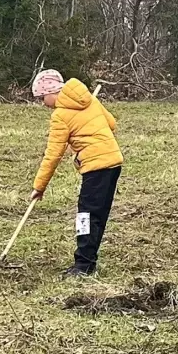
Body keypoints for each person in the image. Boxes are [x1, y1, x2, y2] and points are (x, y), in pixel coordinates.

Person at [30, 69, 123, 277]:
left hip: (96, 166)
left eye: (42, 97)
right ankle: (88, 260)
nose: (43, 102)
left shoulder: (60, 115)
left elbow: (52, 155)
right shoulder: (88, 99)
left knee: (85, 216)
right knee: (97, 215)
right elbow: (112, 124)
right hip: (113, 162)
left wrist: (39, 186)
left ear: (52, 92)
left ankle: (83, 265)